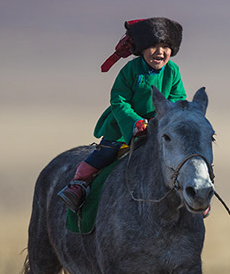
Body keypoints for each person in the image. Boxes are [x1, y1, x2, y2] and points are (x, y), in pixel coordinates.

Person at [57, 17, 187, 212]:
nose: (160, 51)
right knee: (106, 153)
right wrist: (135, 122)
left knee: (183, 156)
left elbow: (177, 99)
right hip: (123, 126)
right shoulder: (131, 70)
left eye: (165, 46)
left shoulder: (173, 71)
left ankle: (195, 195)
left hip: (160, 126)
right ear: (142, 48)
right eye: (153, 45)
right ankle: (78, 184)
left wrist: (159, 120)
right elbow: (119, 100)